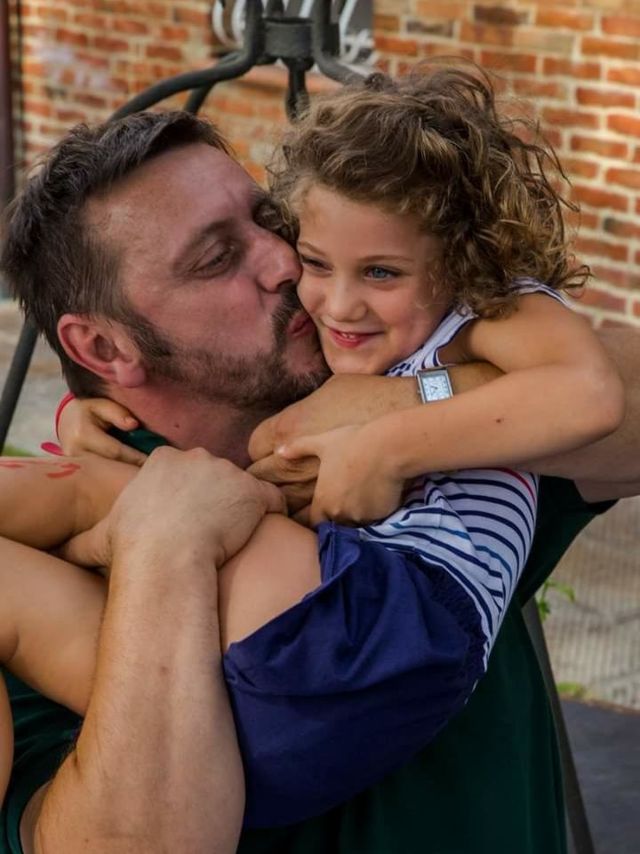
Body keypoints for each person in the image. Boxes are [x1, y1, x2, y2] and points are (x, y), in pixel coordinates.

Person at [0, 98, 638, 854]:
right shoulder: (28, 570)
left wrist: (399, 409)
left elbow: (600, 396)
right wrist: (164, 543)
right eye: (216, 258)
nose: (283, 262)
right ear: (105, 350)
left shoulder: (431, 418)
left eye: (269, 221)